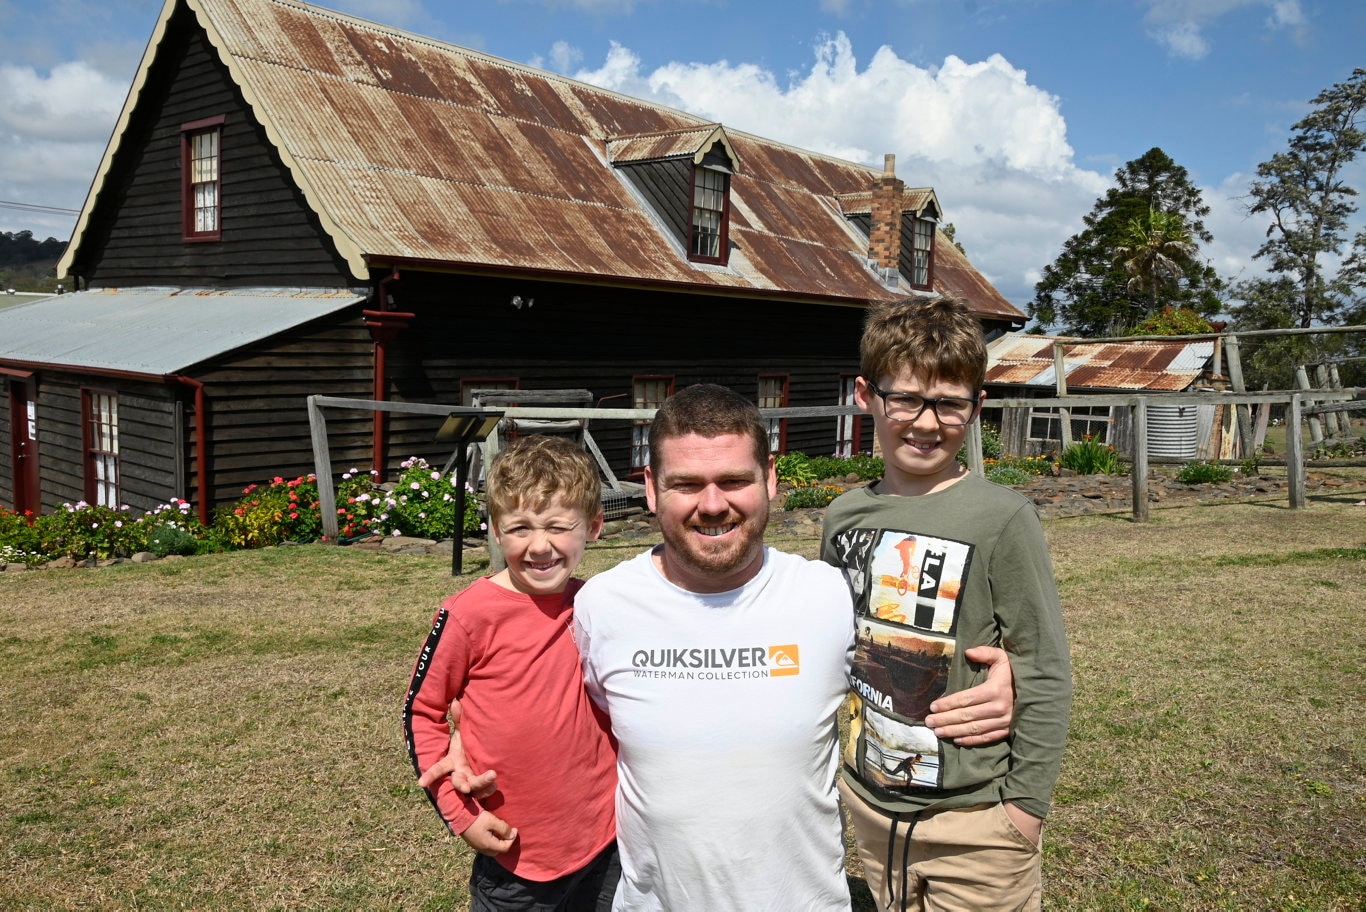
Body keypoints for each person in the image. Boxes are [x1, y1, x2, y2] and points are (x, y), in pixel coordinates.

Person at [422, 386, 1017, 910]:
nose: (712, 504)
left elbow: (917, 654)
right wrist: (468, 738)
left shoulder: (828, 595)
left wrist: (1001, 677)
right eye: (686, 484)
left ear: (771, 480)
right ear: (652, 489)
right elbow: (546, 696)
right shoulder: (601, 606)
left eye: (734, 480)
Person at [822, 295, 1073, 911]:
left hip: (977, 821)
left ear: (977, 407)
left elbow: (1043, 666)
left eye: (950, 404)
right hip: (873, 811)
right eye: (905, 398)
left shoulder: (1003, 518)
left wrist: (1024, 811)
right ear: (865, 395)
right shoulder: (842, 516)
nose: (926, 422)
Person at [402, 435, 620, 912]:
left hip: (608, 841)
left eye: (559, 527)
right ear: (496, 532)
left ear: (594, 527)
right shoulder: (467, 615)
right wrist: (461, 816)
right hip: (514, 849)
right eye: (520, 527)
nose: (539, 546)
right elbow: (421, 710)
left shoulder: (600, 604)